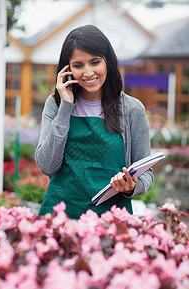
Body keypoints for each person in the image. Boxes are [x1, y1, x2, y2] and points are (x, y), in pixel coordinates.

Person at [35, 24, 153, 219]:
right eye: (78, 65)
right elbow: (47, 166)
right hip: (60, 218)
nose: (88, 72)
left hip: (111, 221)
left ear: (108, 62)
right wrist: (66, 107)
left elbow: (146, 174)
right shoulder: (55, 104)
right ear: (67, 69)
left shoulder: (132, 109)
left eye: (95, 62)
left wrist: (132, 186)